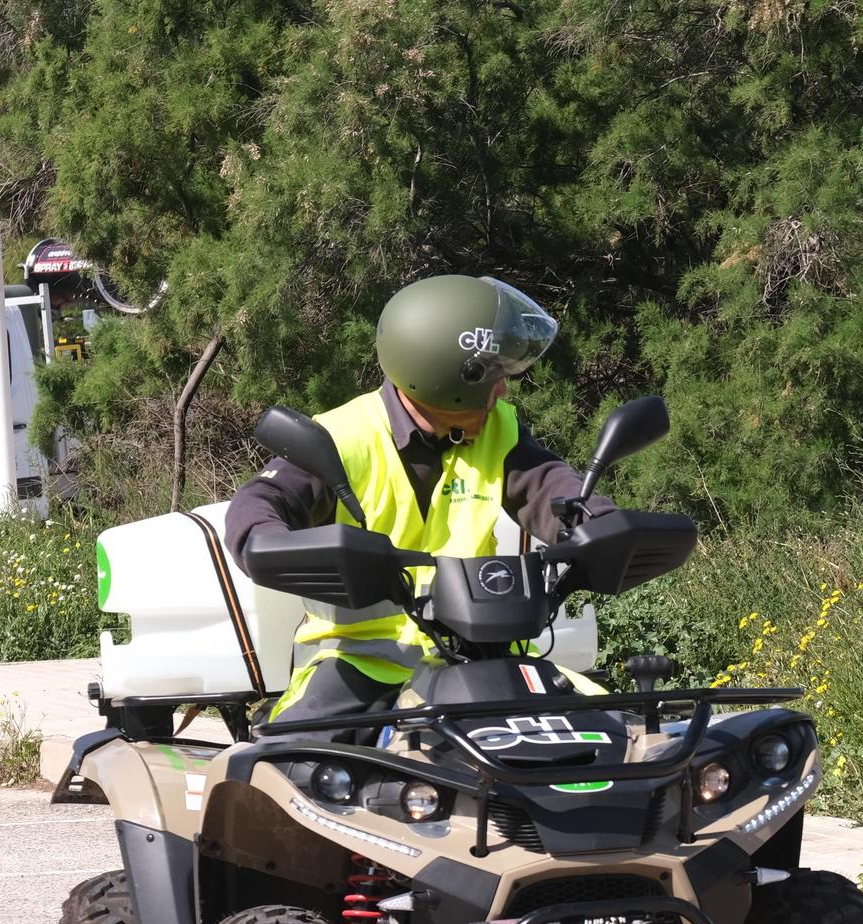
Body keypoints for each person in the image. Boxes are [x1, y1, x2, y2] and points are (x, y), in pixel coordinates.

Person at [225, 274, 612, 723]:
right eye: (494, 375)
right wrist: (269, 541)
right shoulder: (341, 437)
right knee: (296, 762)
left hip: (481, 657)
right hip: (358, 665)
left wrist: (601, 525)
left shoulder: (500, 429)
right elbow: (259, 502)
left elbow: (550, 486)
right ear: (452, 378)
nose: (504, 389)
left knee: (608, 732)